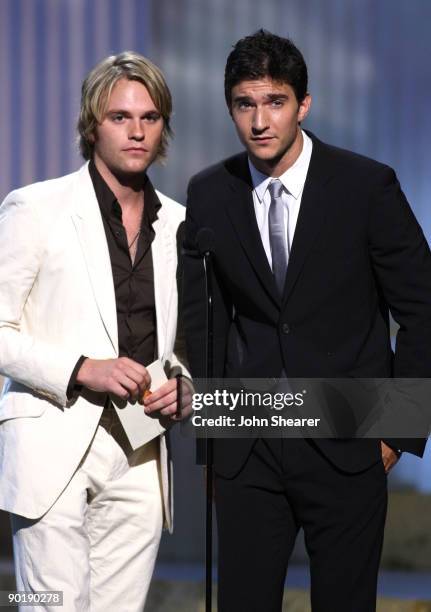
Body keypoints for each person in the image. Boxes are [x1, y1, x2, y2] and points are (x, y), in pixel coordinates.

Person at [183, 30, 431, 612]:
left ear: (304, 104)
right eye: (246, 104)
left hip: (350, 446)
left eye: (275, 102)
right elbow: (207, 326)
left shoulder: (366, 187)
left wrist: (395, 433)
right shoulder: (210, 193)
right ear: (230, 108)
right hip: (249, 451)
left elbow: (423, 312)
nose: (260, 120)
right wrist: (215, 448)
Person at [0, 51, 191, 611]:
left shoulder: (181, 224)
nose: (137, 131)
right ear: (92, 124)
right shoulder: (36, 207)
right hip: (53, 444)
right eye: (120, 117)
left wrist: (184, 385)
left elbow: (182, 341)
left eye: (150, 118)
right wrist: (83, 368)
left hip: (141, 448)